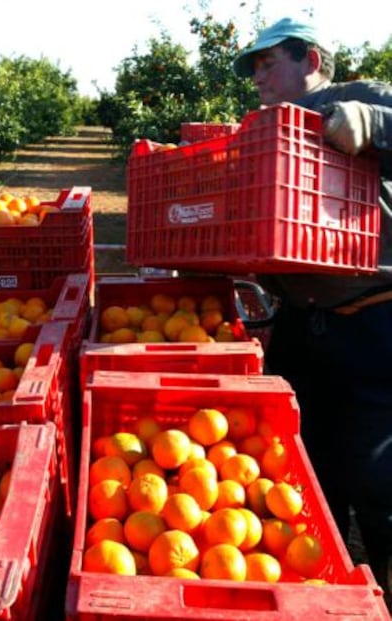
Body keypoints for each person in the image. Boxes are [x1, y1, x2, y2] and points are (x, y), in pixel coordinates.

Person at [233, 16, 392, 601]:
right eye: (254, 67)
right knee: (308, 471)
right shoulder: (266, 132)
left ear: (312, 59)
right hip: (303, 325)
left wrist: (375, 124)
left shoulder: (362, 97)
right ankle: (327, 591)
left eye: (268, 62)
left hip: (372, 320)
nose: (258, 77)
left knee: (379, 479)